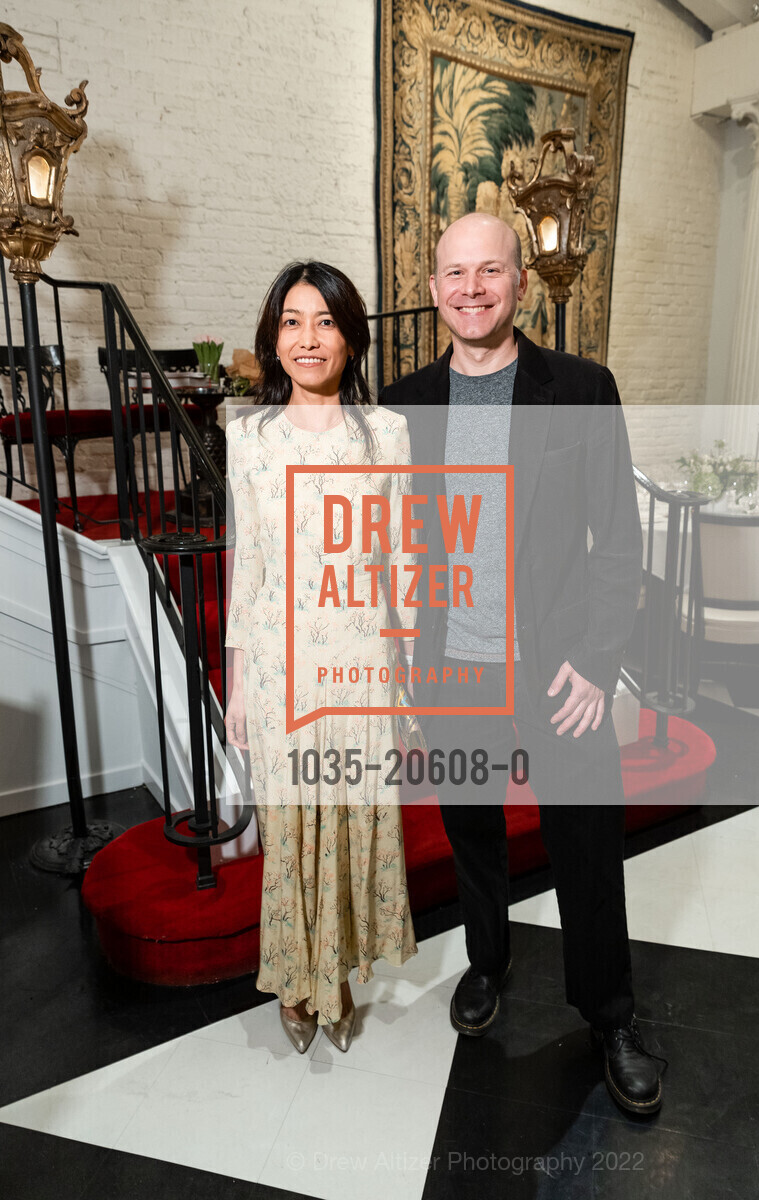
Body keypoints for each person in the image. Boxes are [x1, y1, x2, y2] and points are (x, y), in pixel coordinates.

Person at [380, 213, 666, 1115]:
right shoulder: (401, 403)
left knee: (585, 843)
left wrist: (595, 661)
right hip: (454, 665)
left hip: (558, 671)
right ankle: (486, 962)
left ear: (520, 283)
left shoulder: (580, 389)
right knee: (472, 832)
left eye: (490, 271)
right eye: (455, 274)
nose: (472, 289)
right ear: (433, 289)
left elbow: (619, 544)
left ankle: (609, 1014)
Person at [224, 261, 417, 1056]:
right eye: (293, 321)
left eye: (325, 321)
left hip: (360, 658)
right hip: (276, 664)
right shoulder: (249, 436)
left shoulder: (388, 432)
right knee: (292, 826)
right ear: (274, 337)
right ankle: (297, 981)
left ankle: (335, 973)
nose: (309, 338)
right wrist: (237, 680)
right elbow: (251, 563)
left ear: (350, 335)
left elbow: (402, 558)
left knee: (351, 819)